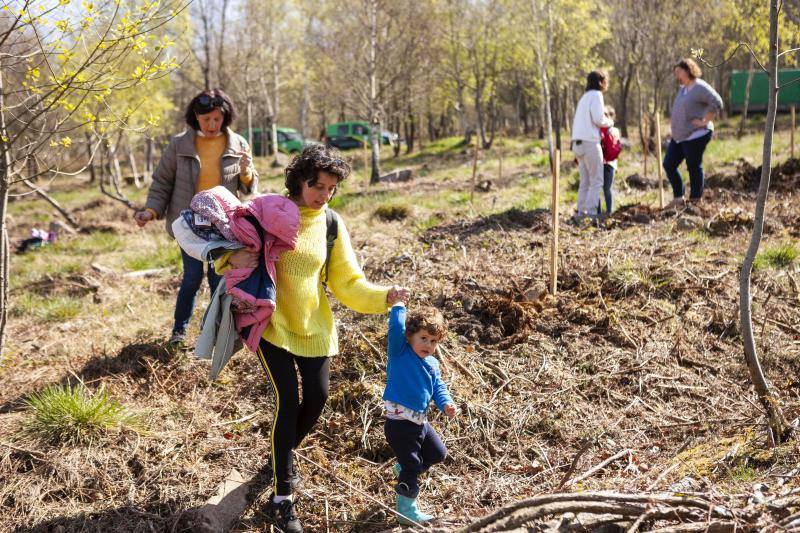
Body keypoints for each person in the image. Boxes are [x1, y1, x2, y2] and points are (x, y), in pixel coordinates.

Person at [222, 144, 409, 533]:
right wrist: (228, 260)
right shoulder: (268, 211)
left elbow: (347, 282)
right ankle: (282, 497)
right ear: (299, 179)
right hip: (271, 324)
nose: (322, 195)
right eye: (316, 185)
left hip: (314, 326)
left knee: (318, 397)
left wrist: (383, 297)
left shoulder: (331, 224)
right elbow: (227, 247)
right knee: (287, 401)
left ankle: (280, 456)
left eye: (330, 188)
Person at [133, 89, 258, 345]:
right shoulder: (180, 144)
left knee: (218, 279)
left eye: (217, 119)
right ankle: (179, 332)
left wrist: (246, 173)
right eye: (206, 119)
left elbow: (248, 188)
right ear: (195, 117)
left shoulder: (238, 144)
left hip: (222, 224)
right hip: (188, 224)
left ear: (225, 116)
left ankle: (211, 333)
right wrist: (151, 210)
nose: (212, 125)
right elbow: (162, 182)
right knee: (191, 277)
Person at [383, 302, 456, 525]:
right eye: (423, 338)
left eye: (433, 341)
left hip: (420, 423)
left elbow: (438, 387)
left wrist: (446, 403)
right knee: (412, 467)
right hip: (400, 424)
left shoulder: (432, 363)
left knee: (437, 453)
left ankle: (403, 469)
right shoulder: (399, 353)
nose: (428, 344)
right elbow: (395, 329)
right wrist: (398, 306)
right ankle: (406, 511)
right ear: (410, 336)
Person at [663, 58, 723, 207]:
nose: (677, 76)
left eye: (679, 72)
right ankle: (679, 197)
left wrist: (705, 121)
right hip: (679, 137)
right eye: (675, 72)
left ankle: (696, 200)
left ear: (688, 70)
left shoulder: (700, 87)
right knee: (669, 164)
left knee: (693, 166)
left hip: (696, 134)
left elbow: (717, 102)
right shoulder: (683, 89)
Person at [571, 70, 614, 222]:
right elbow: (598, 119)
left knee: (585, 181)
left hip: (577, 144)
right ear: (601, 82)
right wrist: (611, 123)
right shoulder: (597, 95)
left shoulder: (583, 98)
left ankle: (581, 214)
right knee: (596, 181)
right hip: (590, 142)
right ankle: (591, 214)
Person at [598, 106, 622, 215]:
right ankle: (598, 212)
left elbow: (615, 145)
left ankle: (609, 211)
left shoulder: (613, 130)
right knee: (598, 189)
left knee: (607, 189)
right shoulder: (598, 131)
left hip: (609, 164)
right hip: (601, 163)